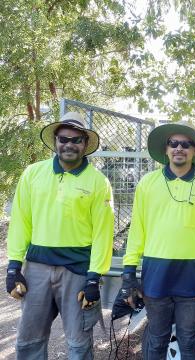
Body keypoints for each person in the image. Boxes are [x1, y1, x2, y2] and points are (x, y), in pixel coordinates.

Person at [6, 112, 114, 359]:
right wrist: (13, 267)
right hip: (36, 270)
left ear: (85, 144)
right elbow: (21, 221)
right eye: (64, 138)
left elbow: (102, 234)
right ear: (55, 140)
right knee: (29, 340)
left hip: (77, 272)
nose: (69, 144)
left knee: (78, 343)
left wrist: (93, 278)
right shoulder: (33, 174)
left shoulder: (99, 182)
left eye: (76, 140)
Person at [118, 121, 195, 359]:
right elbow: (137, 231)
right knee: (157, 339)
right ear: (166, 149)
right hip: (156, 272)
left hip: (192, 274)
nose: (179, 148)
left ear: (194, 151)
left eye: (186, 144)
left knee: (187, 339)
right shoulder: (147, 183)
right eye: (173, 143)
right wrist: (128, 274)